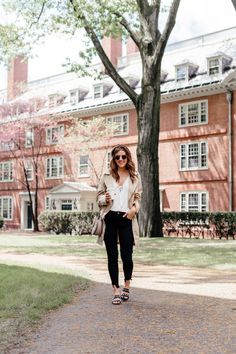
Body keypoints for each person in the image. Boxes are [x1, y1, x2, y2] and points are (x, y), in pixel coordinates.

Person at [96, 144, 142, 305]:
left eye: (123, 156)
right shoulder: (106, 175)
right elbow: (99, 197)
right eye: (117, 157)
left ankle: (127, 286)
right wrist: (105, 199)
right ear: (113, 159)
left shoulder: (134, 176)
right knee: (112, 256)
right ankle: (115, 290)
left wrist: (133, 210)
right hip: (110, 218)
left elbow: (138, 197)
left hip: (126, 218)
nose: (121, 159)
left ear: (128, 157)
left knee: (127, 256)